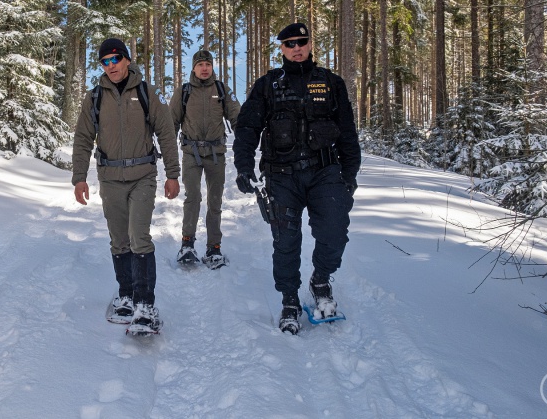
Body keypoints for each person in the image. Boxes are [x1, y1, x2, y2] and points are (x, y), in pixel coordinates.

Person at [232, 22, 360, 335]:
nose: (297, 47)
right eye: (290, 43)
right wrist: (244, 167)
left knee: (334, 231)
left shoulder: (331, 83)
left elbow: (346, 131)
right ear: (282, 49)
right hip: (282, 176)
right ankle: (289, 300)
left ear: (310, 43)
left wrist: (350, 174)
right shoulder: (268, 85)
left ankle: (320, 280)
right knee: (286, 241)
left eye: (301, 41)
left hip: (325, 172)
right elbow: (247, 128)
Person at [72, 38, 180, 334]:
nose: (111, 66)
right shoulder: (95, 97)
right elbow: (82, 138)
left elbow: (166, 133)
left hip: (143, 177)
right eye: (104, 62)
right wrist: (79, 177)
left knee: (138, 236)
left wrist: (173, 173)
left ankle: (145, 303)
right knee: (119, 239)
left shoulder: (146, 92)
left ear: (127, 60)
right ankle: (126, 295)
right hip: (110, 179)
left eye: (115, 59)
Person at [170, 49, 241, 269]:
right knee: (192, 197)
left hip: (215, 153)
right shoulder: (184, 91)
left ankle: (214, 248)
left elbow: (237, 116)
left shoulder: (222, 89)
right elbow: (171, 123)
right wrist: (168, 151)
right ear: (193, 67)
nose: (204, 68)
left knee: (215, 201)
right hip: (191, 153)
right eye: (200, 64)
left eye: (207, 65)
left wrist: (245, 142)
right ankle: (187, 244)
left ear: (212, 67)